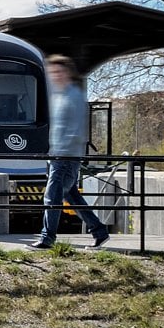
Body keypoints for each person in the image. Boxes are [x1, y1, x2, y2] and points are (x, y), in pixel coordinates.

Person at [32, 55, 109, 250]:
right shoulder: (60, 96)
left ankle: (47, 238)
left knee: (52, 197)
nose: (55, 76)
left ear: (67, 73)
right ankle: (99, 231)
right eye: (53, 73)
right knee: (71, 197)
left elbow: (75, 130)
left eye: (58, 72)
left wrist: (60, 152)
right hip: (59, 156)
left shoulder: (73, 96)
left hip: (64, 156)